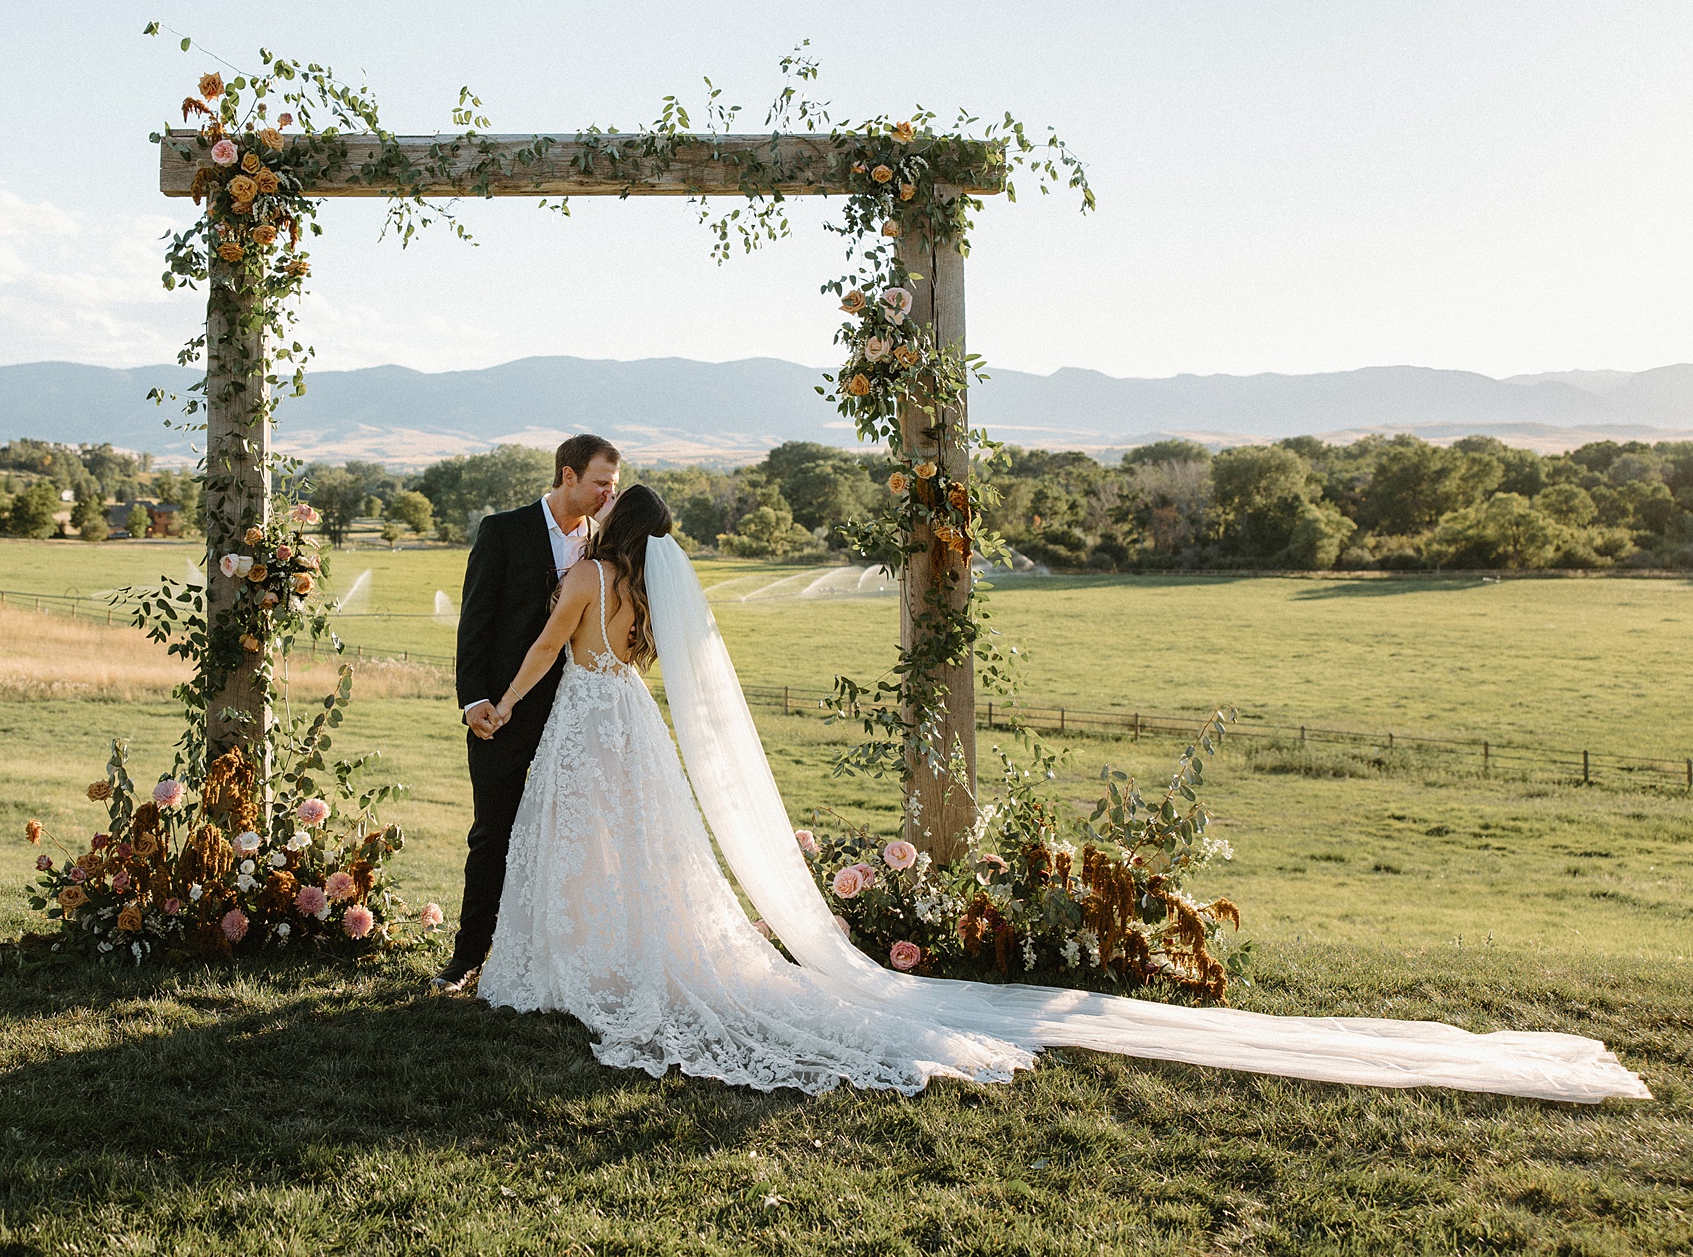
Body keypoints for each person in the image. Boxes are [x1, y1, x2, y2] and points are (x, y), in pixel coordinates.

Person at [471, 486, 1651, 1103]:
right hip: (636, 729)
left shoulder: (584, 584)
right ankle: (624, 959)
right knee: (654, 858)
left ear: (611, 526)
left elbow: (538, 654)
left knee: (577, 847)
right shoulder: (649, 598)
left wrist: (502, 706)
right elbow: (643, 668)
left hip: (581, 727)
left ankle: (574, 966)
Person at [436, 434, 619, 991]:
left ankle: (549, 958)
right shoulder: (502, 531)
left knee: (572, 836)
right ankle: (468, 957)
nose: (609, 494)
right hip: (502, 712)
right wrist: (474, 700)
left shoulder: (606, 544)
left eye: (614, 485)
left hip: (575, 712)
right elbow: (474, 621)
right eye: (601, 483)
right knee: (492, 834)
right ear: (568, 476)